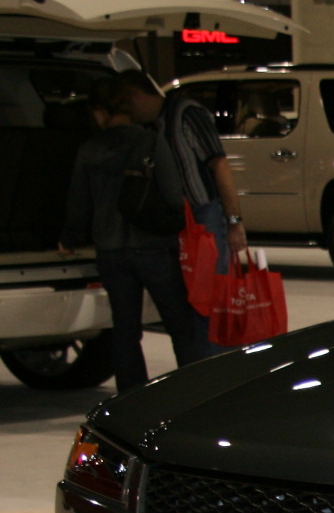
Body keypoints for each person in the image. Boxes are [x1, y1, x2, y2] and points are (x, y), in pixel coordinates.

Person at [56, 73, 211, 393]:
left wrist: (69, 239)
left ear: (99, 111)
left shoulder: (89, 150)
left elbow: (78, 203)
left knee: (125, 332)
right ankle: (192, 393)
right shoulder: (151, 142)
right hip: (154, 246)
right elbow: (172, 193)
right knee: (179, 327)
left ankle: (133, 399)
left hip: (111, 249)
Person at [123, 72, 248, 271]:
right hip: (173, 218)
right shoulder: (150, 126)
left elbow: (219, 164)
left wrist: (234, 222)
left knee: (210, 282)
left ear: (136, 95)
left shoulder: (186, 113)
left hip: (203, 213)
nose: (129, 114)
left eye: (127, 105)